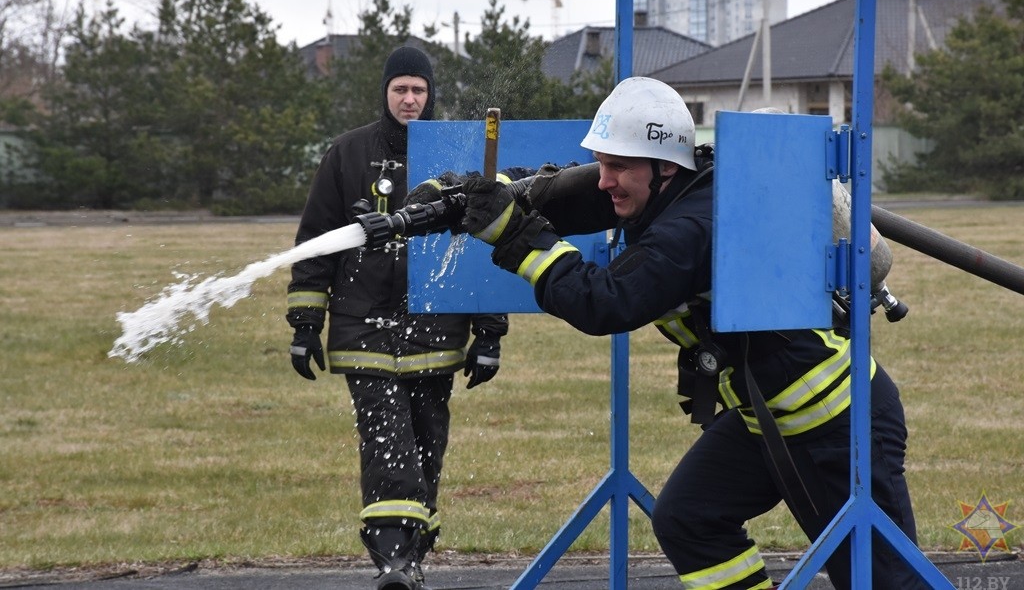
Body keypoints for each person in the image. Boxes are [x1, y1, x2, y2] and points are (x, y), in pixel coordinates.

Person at [455, 76, 927, 589]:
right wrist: (459, 193)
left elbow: (606, 302)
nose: (603, 181)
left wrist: (520, 241)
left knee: (883, 581)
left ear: (663, 167)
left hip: (839, 425)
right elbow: (557, 193)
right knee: (689, 519)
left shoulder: (691, 227)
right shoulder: (666, 190)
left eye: (617, 167)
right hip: (766, 418)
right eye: (603, 163)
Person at [286, 45, 509, 590]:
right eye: (399, 89)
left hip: (437, 326)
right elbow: (316, 242)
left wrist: (490, 332)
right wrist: (305, 322)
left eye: (419, 89)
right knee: (387, 440)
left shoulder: (456, 156)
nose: (409, 99)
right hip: (363, 326)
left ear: (431, 94)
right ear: (384, 93)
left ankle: (411, 558)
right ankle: (392, 559)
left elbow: (481, 247)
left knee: (428, 441)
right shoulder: (346, 154)